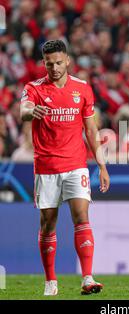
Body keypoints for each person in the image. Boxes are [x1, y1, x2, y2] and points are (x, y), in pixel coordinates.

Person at [20, 40, 110, 296]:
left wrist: (101, 165)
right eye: (50, 64)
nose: (55, 67)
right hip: (46, 166)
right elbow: (23, 110)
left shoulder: (82, 88)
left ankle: (88, 278)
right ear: (43, 63)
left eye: (59, 62)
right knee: (48, 223)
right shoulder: (34, 88)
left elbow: (91, 130)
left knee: (82, 216)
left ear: (68, 60)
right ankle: (51, 281)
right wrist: (30, 111)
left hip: (76, 165)